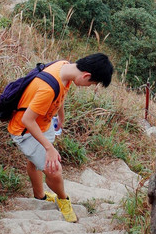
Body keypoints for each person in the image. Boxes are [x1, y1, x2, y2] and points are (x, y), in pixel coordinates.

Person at [7, 53, 113, 222]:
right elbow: (28, 120)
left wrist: (60, 116)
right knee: (54, 170)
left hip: (44, 122)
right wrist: (49, 148)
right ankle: (63, 199)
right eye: (91, 83)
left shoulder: (65, 67)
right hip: (25, 130)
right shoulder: (47, 88)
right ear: (86, 75)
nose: (89, 86)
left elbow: (60, 93)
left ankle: (39, 196)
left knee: (36, 162)